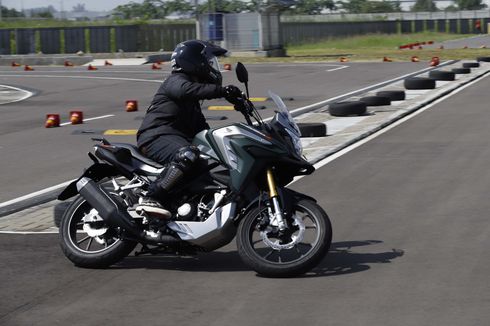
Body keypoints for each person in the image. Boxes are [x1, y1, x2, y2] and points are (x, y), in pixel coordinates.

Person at [135, 40, 241, 219]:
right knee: (187, 155)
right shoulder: (176, 81)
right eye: (209, 60)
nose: (212, 65)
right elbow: (185, 90)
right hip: (156, 137)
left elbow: (204, 134)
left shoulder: (192, 105)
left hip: (173, 139)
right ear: (193, 60)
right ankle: (151, 196)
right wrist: (222, 91)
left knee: (208, 163)